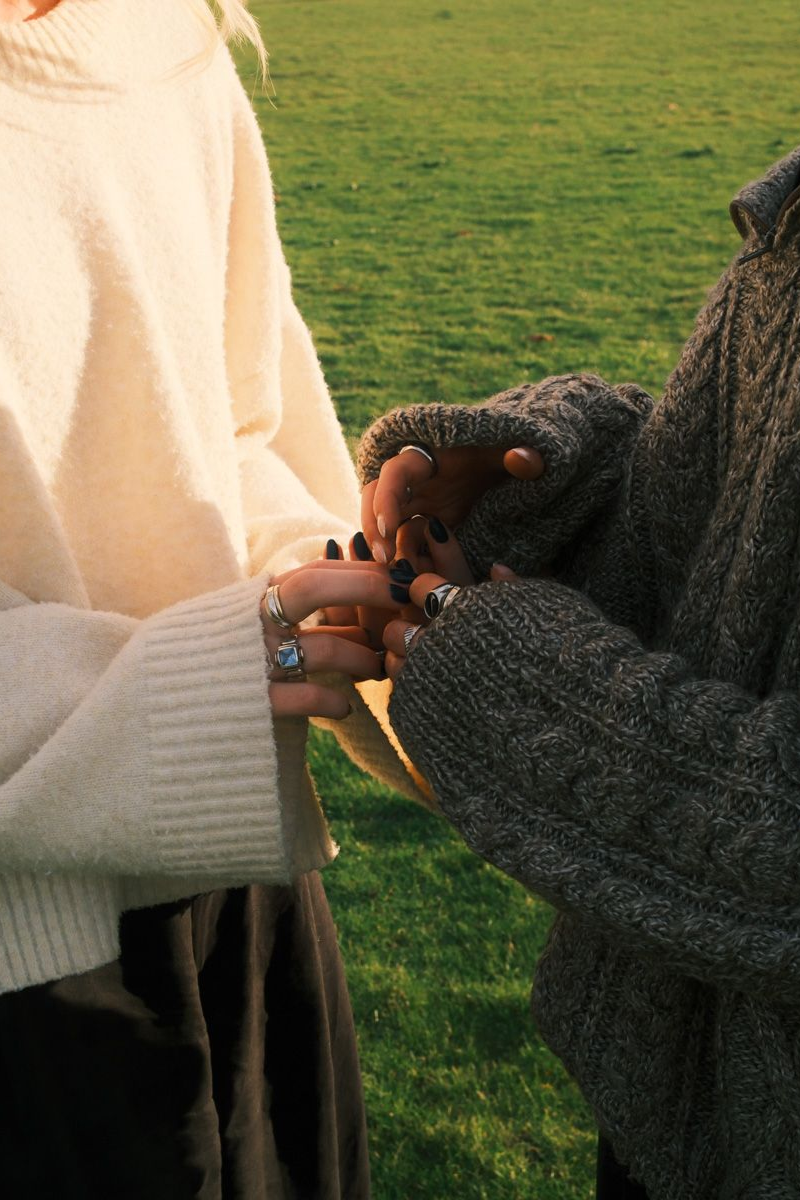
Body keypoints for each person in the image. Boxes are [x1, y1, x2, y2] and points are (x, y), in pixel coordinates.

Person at [0, 0, 433, 1195]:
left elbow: (233, 419)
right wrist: (220, 678)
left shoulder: (169, 38)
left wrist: (339, 585)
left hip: (235, 877)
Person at [357, 146, 800, 1199]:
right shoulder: (787, 229)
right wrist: (541, 480)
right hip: (678, 1109)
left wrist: (496, 673)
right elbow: (720, 572)